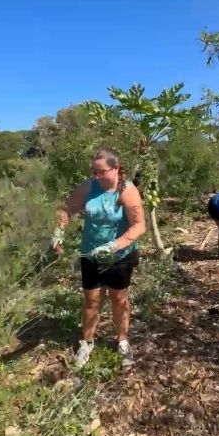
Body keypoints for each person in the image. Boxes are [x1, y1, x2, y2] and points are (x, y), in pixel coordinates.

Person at [51, 148, 146, 368]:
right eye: (94, 171)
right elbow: (67, 210)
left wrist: (115, 245)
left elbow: (139, 225)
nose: (96, 176)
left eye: (101, 171)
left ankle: (122, 340)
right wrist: (59, 233)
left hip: (119, 254)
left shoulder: (127, 190)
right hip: (91, 252)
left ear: (116, 168)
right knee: (91, 300)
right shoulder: (88, 187)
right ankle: (87, 342)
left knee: (118, 297)